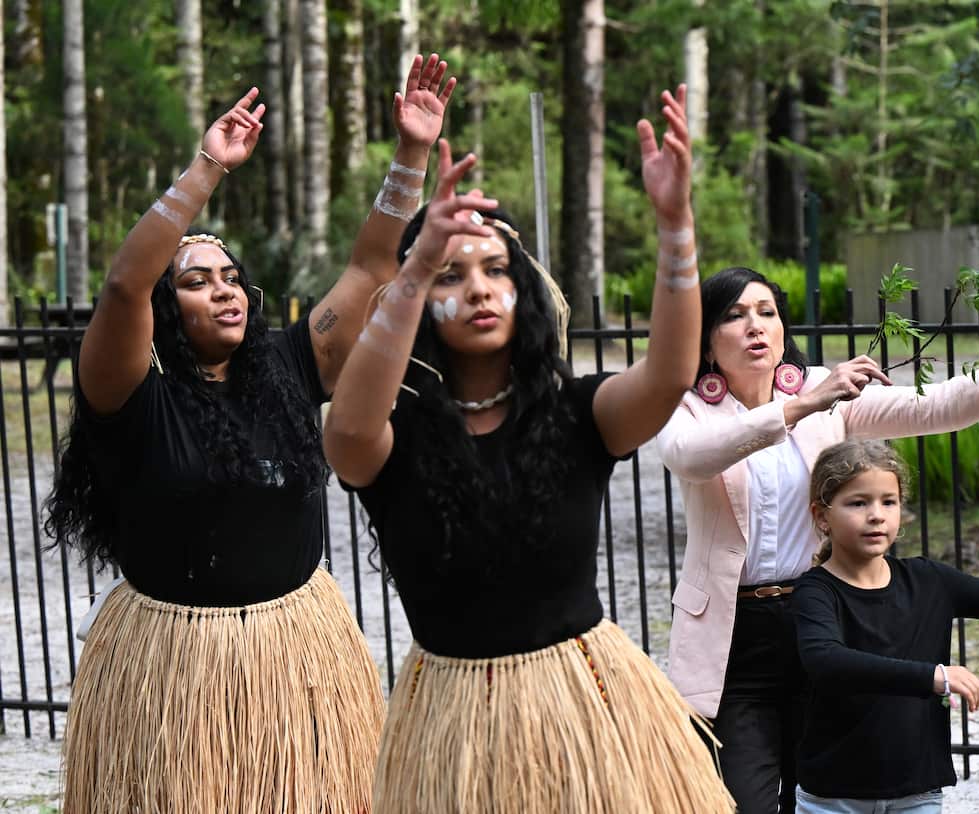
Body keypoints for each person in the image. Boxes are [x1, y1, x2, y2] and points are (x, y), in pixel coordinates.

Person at [43, 54, 457, 812]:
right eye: (195, 282)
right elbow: (125, 283)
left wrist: (410, 156)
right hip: (169, 671)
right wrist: (208, 166)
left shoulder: (290, 368)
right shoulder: (129, 393)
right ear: (167, 310)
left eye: (230, 276)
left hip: (296, 654)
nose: (222, 291)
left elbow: (370, 268)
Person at [322, 85, 733, 813]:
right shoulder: (393, 436)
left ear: (524, 289)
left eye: (494, 270)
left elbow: (671, 375)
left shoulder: (578, 415)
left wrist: (676, 225)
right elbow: (347, 432)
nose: (477, 289)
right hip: (449, 727)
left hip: (585, 711)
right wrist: (414, 267)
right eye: (452, 275)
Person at [656, 265, 979, 813]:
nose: (755, 327)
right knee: (742, 800)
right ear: (706, 339)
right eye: (735, 315)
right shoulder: (691, 405)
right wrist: (801, 405)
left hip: (823, 616)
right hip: (732, 637)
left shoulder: (824, 393)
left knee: (824, 792)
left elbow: (938, 404)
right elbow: (691, 458)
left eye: (766, 313)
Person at [791, 438, 979, 813]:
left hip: (918, 792)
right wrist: (933, 676)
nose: (876, 515)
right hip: (833, 797)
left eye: (887, 502)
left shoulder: (928, 580)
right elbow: (826, 660)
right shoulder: (816, 590)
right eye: (858, 502)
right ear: (822, 515)